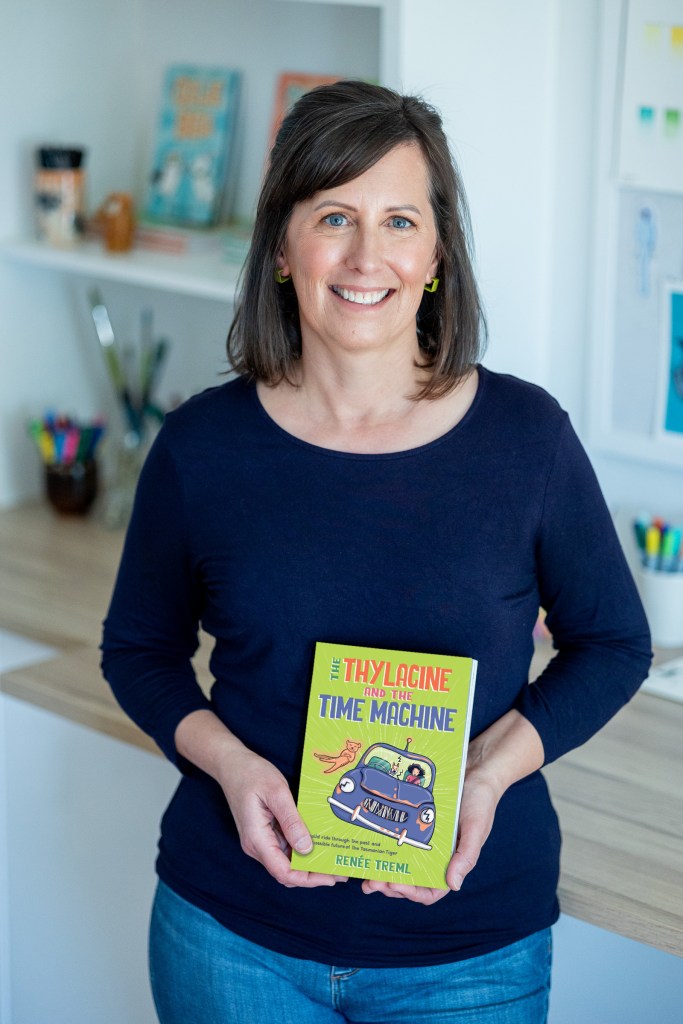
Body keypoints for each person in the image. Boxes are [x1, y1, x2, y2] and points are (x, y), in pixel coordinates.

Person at [101, 80, 652, 1024]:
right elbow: (138, 652)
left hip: (469, 948)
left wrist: (487, 774)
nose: (366, 256)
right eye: (333, 217)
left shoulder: (526, 439)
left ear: (436, 253)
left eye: (399, 219)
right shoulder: (202, 447)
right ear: (283, 247)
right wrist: (232, 769)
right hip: (230, 938)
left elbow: (612, 644)